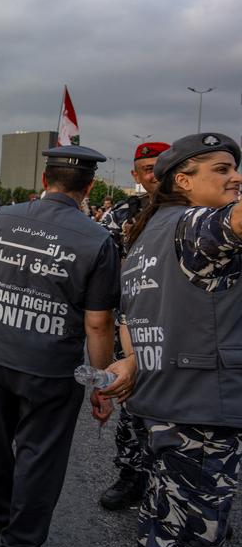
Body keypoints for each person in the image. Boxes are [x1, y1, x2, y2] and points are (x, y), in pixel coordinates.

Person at [0, 145, 134, 547]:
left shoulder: (1, 219)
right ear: (88, 188)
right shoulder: (98, 239)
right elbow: (99, 324)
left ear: (45, 181)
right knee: (39, 456)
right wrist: (101, 384)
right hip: (49, 365)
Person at [121, 132, 242, 547]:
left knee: (165, 531)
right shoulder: (195, 225)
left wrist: (131, 362)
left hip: (165, 401)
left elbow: (136, 318)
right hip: (202, 409)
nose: (235, 178)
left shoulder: (149, 231)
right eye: (222, 169)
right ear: (184, 182)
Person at [97, 141, 170, 512]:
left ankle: (185, 490)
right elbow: (106, 275)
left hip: (178, 328)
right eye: (147, 169)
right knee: (131, 404)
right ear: (136, 175)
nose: (154, 175)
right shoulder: (120, 215)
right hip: (131, 323)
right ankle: (132, 475)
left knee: (179, 411)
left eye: (161, 167)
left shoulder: (197, 212)